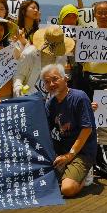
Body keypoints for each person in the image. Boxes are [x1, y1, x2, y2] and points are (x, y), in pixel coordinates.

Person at [41, 63, 97, 197]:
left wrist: (70, 155)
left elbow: (87, 129)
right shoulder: (50, 104)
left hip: (81, 152)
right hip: (60, 150)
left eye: (55, 79)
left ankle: (85, 175)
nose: (52, 84)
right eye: (47, 82)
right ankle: (67, 171)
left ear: (65, 78)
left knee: (67, 189)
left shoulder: (79, 97)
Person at [13, 25, 74, 97]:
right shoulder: (29, 54)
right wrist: (18, 87)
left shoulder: (62, 56)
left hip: (52, 100)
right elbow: (19, 75)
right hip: (29, 98)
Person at [79, 1, 107, 99]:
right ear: (94, 15)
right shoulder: (86, 34)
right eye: (100, 12)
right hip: (89, 78)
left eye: (106, 12)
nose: (103, 16)